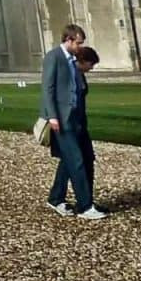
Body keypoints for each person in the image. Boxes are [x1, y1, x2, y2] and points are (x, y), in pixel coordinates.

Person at [42, 25, 104, 220]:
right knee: (76, 161)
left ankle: (56, 198)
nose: (80, 47)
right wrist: (52, 116)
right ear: (68, 39)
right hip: (62, 119)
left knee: (81, 159)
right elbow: (47, 88)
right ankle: (85, 207)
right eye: (78, 43)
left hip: (77, 118)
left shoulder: (71, 61)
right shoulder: (54, 57)